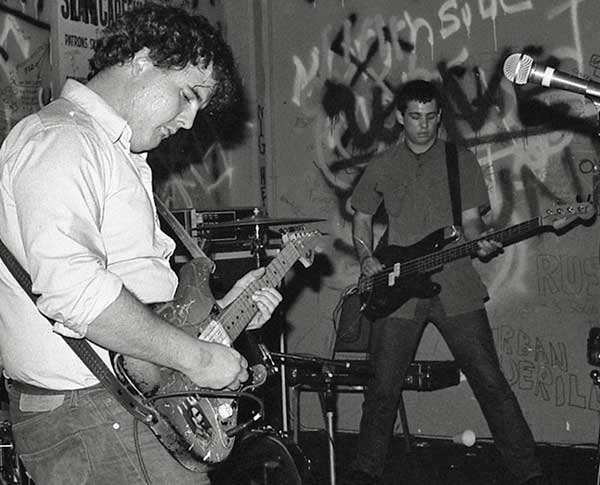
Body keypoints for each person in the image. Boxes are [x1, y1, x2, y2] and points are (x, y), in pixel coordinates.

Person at [0, 3, 282, 484]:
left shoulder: (113, 151)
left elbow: (141, 302)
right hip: (94, 413)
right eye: (187, 95)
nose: (190, 121)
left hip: (119, 408)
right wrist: (197, 358)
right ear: (142, 59)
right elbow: (76, 293)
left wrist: (219, 318)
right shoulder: (61, 139)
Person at [347, 79, 546, 485]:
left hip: (455, 284)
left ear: (440, 117)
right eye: (415, 117)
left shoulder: (461, 161)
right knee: (382, 390)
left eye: (432, 116)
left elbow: (472, 224)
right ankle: (365, 473)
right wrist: (366, 256)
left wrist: (482, 244)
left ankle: (530, 475)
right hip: (398, 287)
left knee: (490, 383)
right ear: (401, 118)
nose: (424, 125)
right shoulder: (383, 165)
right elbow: (362, 216)